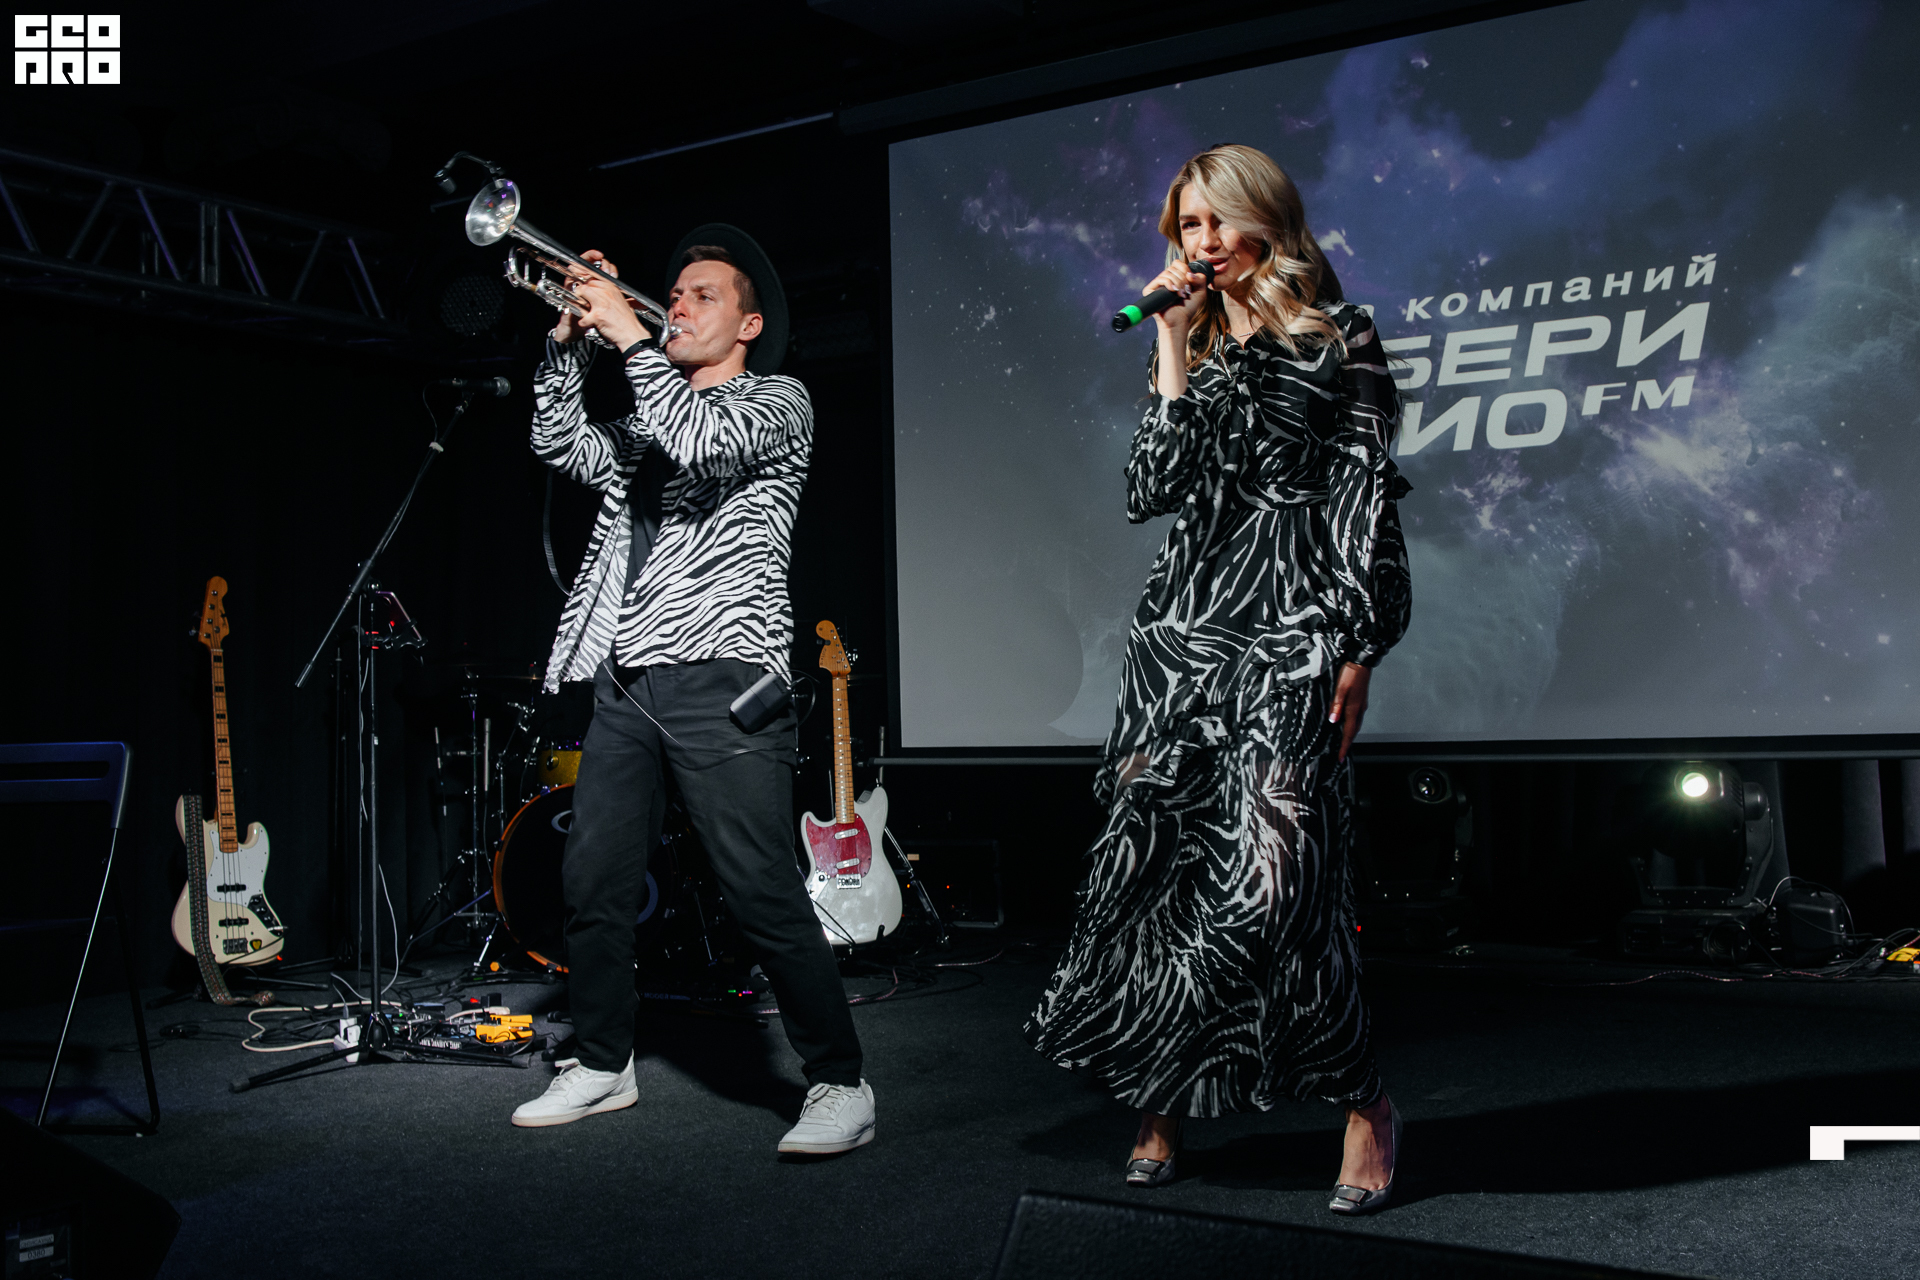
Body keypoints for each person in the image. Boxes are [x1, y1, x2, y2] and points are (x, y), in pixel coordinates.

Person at [1024, 145, 1413, 1213]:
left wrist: (1359, 643)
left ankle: (1364, 1101)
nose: (1202, 243)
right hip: (1182, 640)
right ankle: (1161, 1098)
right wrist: (1170, 342)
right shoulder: (1190, 343)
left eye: (1217, 220)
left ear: (1267, 223)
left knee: (1279, 883)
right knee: (1161, 877)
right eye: (1186, 226)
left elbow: (1364, 494)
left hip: (1294, 629)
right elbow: (1151, 488)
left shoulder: (1341, 335)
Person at [510, 226, 875, 1156]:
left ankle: (840, 1082)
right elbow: (556, 441)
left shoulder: (777, 402)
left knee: (760, 889)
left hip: (726, 675)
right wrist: (565, 340)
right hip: (628, 679)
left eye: (701, 295)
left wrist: (629, 337)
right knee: (593, 881)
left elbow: (702, 441)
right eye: (671, 293)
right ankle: (603, 1061)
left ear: (748, 325)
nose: (675, 304)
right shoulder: (646, 422)